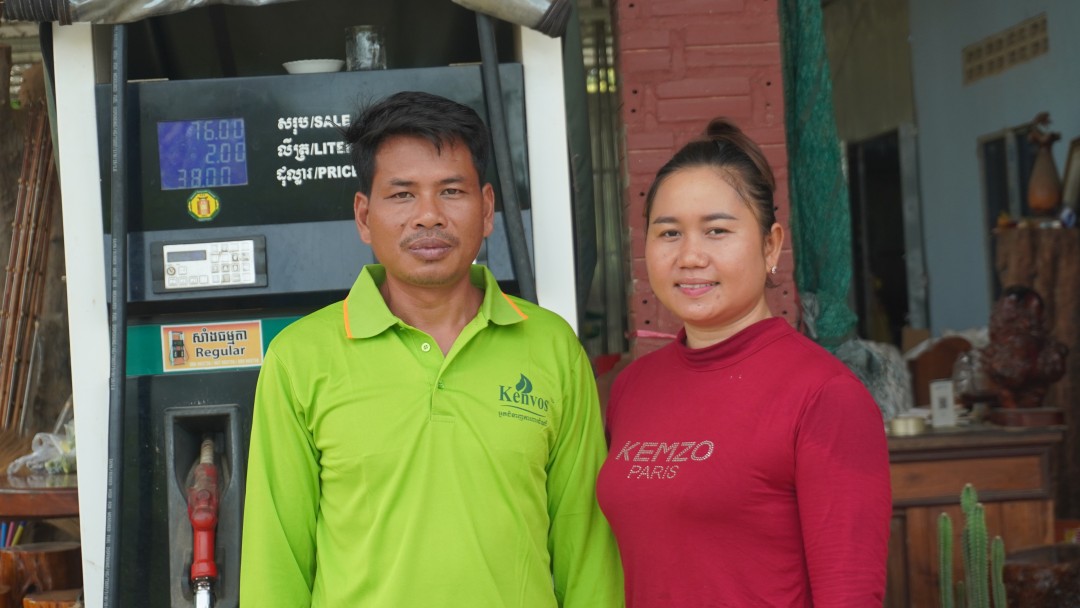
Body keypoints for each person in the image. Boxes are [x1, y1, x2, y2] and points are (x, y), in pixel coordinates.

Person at [240, 91, 624, 607]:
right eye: (401, 194)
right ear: (363, 215)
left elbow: (585, 548)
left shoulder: (551, 347)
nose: (428, 216)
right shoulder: (301, 359)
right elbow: (276, 560)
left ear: (487, 209)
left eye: (451, 191)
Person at [595, 118, 891, 606]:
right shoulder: (633, 386)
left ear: (771, 245)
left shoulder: (824, 395)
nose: (690, 256)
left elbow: (850, 593)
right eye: (668, 233)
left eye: (716, 231)